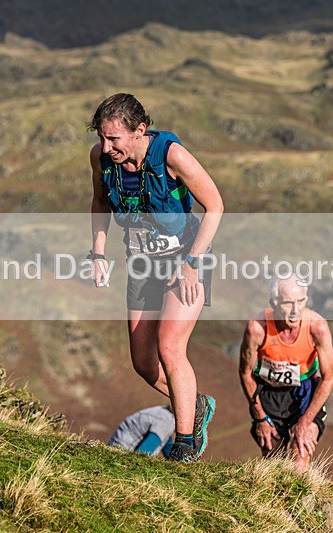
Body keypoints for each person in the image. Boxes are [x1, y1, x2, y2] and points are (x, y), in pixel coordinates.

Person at [88, 93, 224, 462]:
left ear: (140, 130)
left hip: (185, 259)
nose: (106, 146)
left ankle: (183, 444)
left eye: (114, 138)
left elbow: (215, 206)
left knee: (169, 346)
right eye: (102, 137)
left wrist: (192, 261)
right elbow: (101, 202)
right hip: (141, 263)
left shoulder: (171, 156)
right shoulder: (101, 159)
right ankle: (196, 406)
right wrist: (98, 253)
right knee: (144, 364)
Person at [238, 275, 333, 474]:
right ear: (273, 303)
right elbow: (246, 372)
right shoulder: (257, 328)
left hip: (305, 392)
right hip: (268, 393)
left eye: (301, 302)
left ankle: (300, 502)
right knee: (273, 459)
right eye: (288, 303)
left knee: (300, 454)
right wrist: (261, 418)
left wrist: (305, 422)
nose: (295, 310)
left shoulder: (317, 327)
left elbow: (329, 378)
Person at [107, 405, 176, 457]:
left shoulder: (164, 413)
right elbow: (143, 453)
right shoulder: (166, 422)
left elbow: (168, 447)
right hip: (121, 454)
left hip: (115, 448)